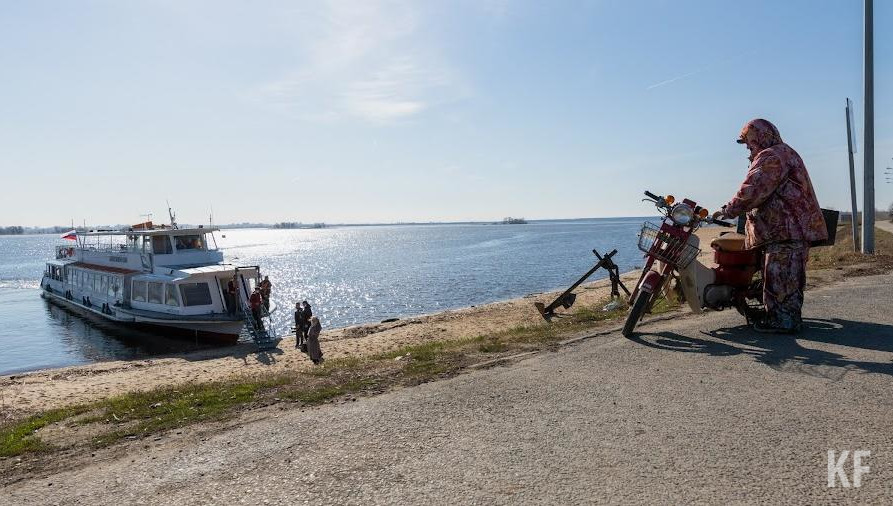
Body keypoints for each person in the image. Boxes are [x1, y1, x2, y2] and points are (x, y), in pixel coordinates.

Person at [714, 118, 827, 334]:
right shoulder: (784, 152)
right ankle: (786, 318)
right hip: (791, 229)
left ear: (760, 136)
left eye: (749, 141)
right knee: (787, 278)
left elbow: (753, 190)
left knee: (780, 277)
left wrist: (728, 210)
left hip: (785, 228)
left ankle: (782, 322)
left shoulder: (772, 156)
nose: (748, 146)